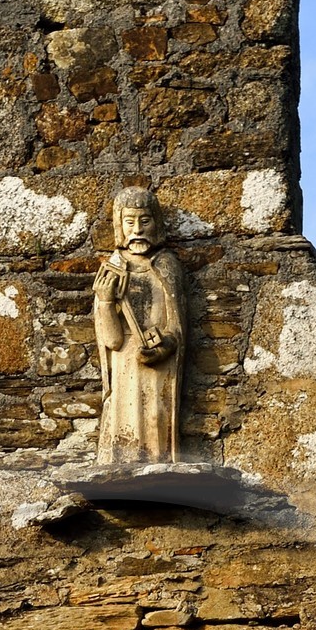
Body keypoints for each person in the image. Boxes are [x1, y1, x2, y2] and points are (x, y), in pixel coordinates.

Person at [93, 184, 186, 463]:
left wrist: (165, 346)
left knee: (156, 415)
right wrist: (107, 302)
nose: (138, 230)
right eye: (129, 222)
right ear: (119, 225)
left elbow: (178, 327)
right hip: (124, 364)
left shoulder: (167, 265)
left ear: (156, 223)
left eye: (145, 221)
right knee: (125, 416)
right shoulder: (112, 267)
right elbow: (111, 341)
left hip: (159, 363)